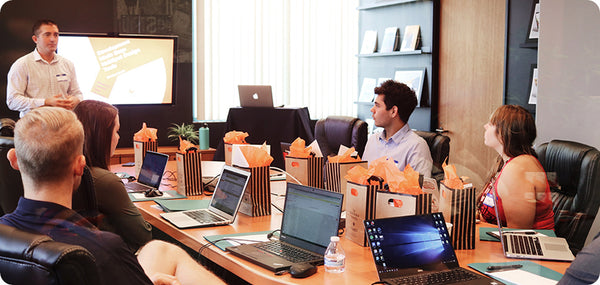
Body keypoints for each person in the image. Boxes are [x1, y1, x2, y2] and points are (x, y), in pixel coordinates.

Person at [0, 107, 224, 285]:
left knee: (159, 249)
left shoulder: (5, 234)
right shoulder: (103, 249)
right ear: (80, 166)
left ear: (14, 160)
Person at [73, 100, 152, 251]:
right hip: (118, 259)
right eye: (116, 131)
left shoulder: (70, 171)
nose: (118, 137)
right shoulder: (105, 181)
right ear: (101, 136)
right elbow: (144, 236)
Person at [477, 105, 554, 230]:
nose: (485, 126)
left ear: (503, 133)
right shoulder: (507, 162)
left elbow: (518, 235)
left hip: (529, 246)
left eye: (491, 124)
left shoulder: (518, 169)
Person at [6, 19, 82, 117]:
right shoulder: (22, 65)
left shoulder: (67, 64)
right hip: (34, 126)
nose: (52, 39)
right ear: (35, 39)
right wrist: (45, 102)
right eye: (47, 34)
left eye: (56, 35)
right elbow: (12, 101)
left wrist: (76, 100)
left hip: (63, 124)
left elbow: (78, 94)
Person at [362, 79, 433, 177]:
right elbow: (361, 181)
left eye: (377, 106)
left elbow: (420, 190)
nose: (372, 109)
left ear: (393, 111)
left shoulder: (416, 146)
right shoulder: (372, 140)